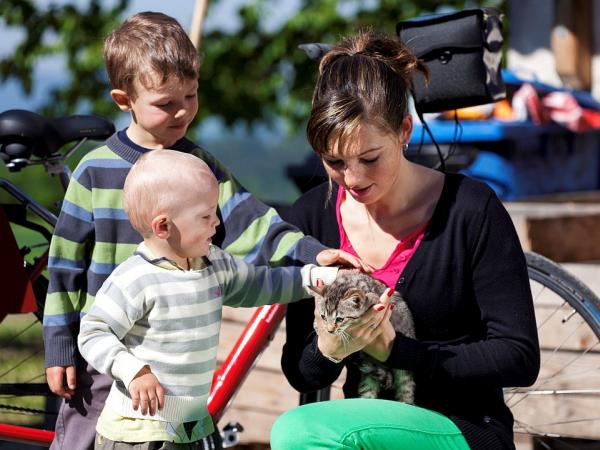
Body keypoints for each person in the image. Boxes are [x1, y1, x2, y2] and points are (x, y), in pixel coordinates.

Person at [43, 11, 361, 450]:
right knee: (88, 437)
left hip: (177, 359)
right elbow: (65, 269)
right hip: (110, 353)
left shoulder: (201, 168)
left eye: (190, 96)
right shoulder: (94, 172)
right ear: (124, 99)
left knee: (175, 435)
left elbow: (251, 220)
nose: (182, 111)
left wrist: (310, 252)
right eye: (164, 102)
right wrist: (59, 346)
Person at [271, 30, 540, 450]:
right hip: (363, 428)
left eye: (370, 158)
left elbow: (519, 356)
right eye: (334, 161)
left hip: (463, 426)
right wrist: (327, 348)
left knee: (300, 432)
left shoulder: (471, 209)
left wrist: (397, 351)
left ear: (403, 131)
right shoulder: (311, 216)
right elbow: (300, 374)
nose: (354, 179)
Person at [77, 150, 339, 449]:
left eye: (215, 211)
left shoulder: (212, 264)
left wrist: (314, 279)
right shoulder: (135, 278)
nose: (217, 222)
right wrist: (133, 370)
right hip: (139, 433)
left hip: (191, 426)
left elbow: (260, 283)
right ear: (163, 227)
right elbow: (93, 332)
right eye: (205, 215)